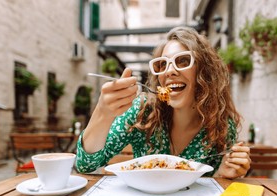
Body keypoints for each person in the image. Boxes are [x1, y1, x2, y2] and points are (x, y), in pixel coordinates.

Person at [76, 26, 251, 178]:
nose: (169, 71)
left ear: (205, 72)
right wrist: (102, 113)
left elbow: (214, 188)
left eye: (183, 61)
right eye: (162, 64)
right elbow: (86, 166)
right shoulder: (143, 112)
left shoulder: (221, 125)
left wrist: (224, 172)